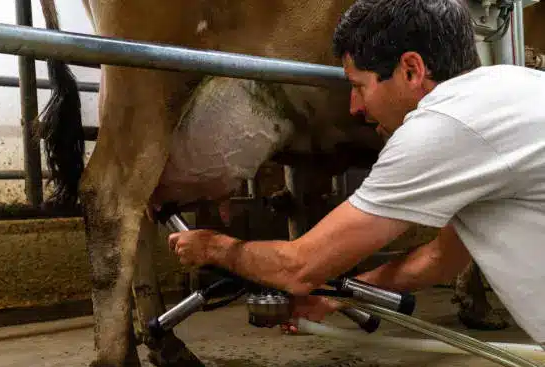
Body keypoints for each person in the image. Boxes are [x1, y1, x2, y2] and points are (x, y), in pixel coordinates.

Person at [167, 0, 545, 348]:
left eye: (358, 86)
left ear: (411, 70)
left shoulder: (441, 126)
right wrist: (340, 296)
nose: (354, 107)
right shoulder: (514, 87)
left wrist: (213, 247)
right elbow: (441, 258)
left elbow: (298, 267)